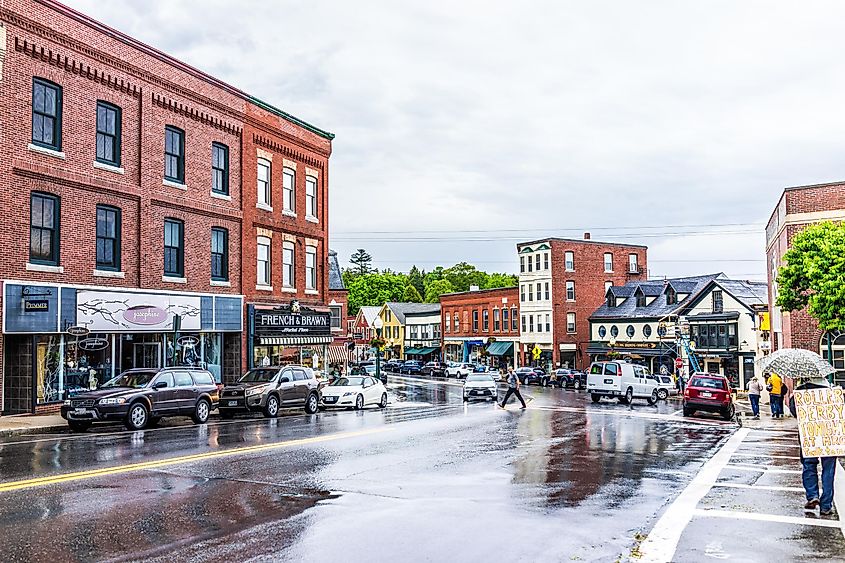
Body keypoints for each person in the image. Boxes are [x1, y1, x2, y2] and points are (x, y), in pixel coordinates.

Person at [789, 379, 837, 516]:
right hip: (829, 435)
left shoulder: (801, 390)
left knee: (809, 465)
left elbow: (794, 412)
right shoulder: (832, 391)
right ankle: (826, 505)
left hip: (808, 434)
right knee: (828, 469)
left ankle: (812, 495)